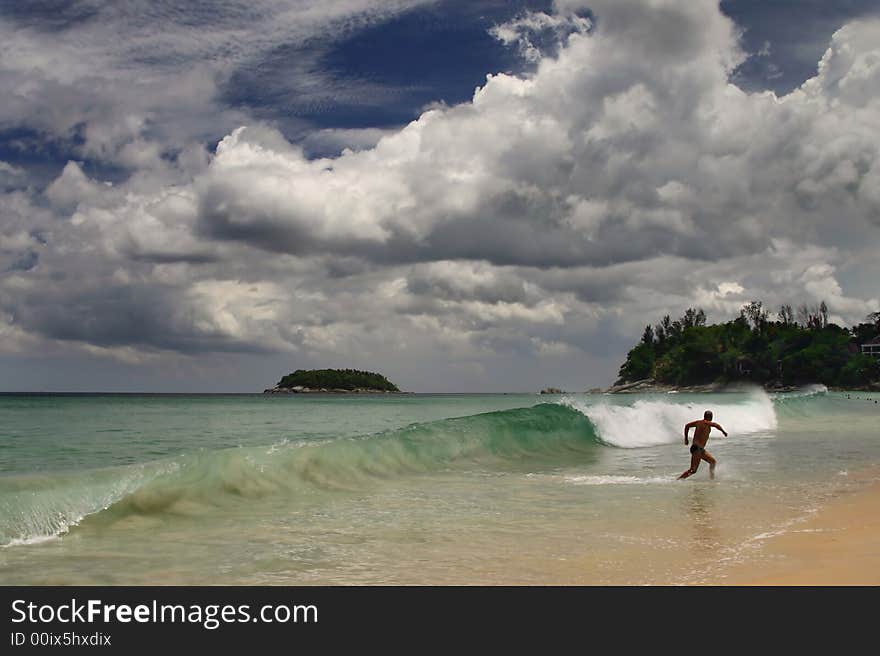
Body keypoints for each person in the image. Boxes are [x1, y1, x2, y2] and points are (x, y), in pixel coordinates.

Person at [678, 410, 727, 480]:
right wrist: (723, 432)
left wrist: (686, 439)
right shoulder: (706, 423)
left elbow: (687, 426)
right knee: (693, 470)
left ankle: (712, 479)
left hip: (700, 449)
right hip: (697, 449)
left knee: (712, 462)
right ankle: (678, 480)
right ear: (710, 417)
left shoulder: (698, 423)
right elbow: (716, 425)